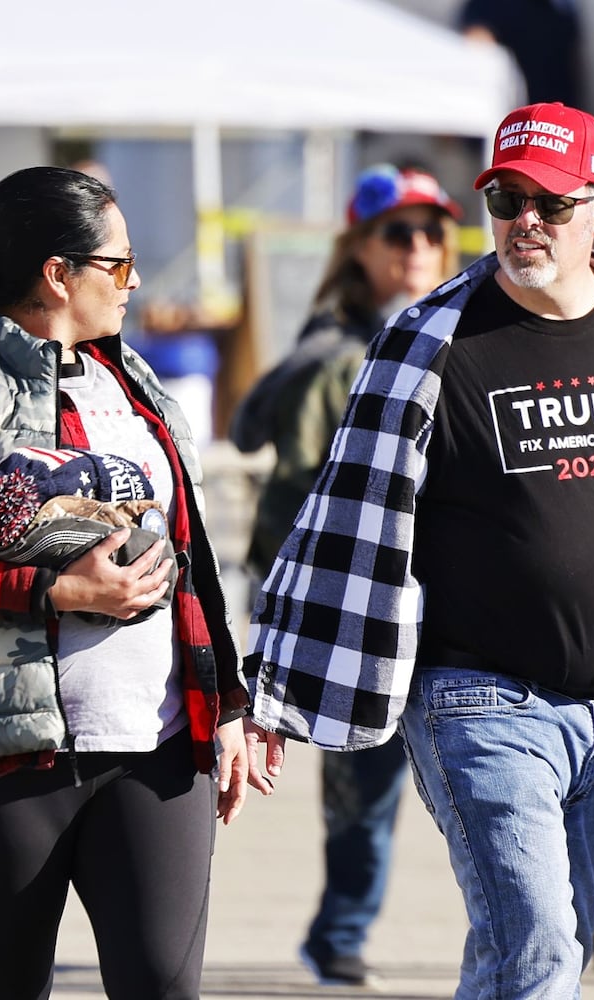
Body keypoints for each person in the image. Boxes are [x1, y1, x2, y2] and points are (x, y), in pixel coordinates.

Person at [243, 102, 594, 998]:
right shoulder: (425, 346)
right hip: (476, 702)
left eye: (551, 204)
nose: (526, 221)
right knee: (540, 949)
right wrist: (268, 696)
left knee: (532, 952)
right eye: (507, 198)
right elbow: (338, 522)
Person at [0, 165, 251, 1000]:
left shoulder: (134, 381)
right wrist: (55, 593)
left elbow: (191, 554)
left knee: (164, 984)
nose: (134, 281)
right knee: (6, 986)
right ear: (57, 272)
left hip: (154, 740)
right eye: (119, 263)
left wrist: (225, 706)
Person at [230, 162, 462, 988]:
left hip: (461, 600)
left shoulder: (471, 323)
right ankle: (342, 932)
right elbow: (283, 469)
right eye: (398, 232)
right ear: (360, 245)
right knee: (363, 785)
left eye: (434, 230)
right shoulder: (333, 352)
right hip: (365, 604)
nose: (419, 247)